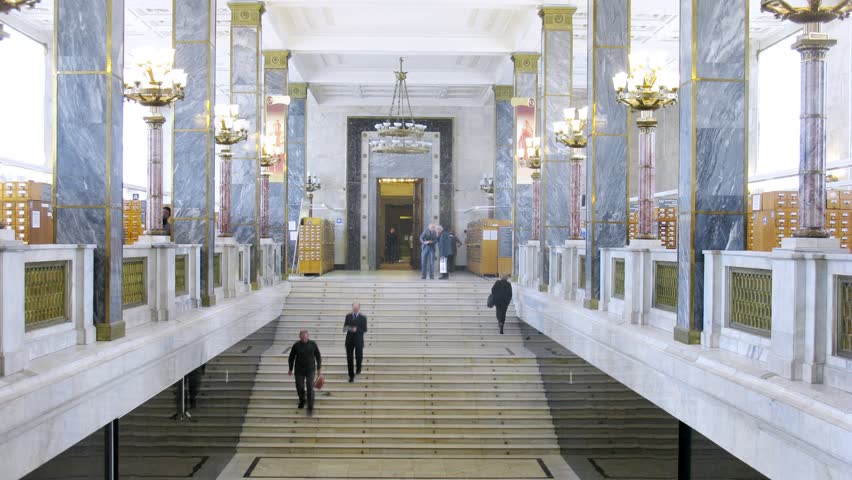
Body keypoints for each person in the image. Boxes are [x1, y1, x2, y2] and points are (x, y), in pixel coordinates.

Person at [288, 330, 322, 414]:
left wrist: (319, 368)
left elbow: (318, 356)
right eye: (302, 337)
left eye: (306, 337)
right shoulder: (296, 345)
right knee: (299, 386)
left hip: (310, 369)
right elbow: (291, 357)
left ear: (308, 336)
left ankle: (310, 406)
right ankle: (302, 400)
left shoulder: (313, 344)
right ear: (300, 337)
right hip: (299, 369)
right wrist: (290, 369)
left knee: (310, 387)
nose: (304, 339)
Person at [343, 302, 368, 382]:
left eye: (356, 308)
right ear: (352, 308)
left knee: (359, 356)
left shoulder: (363, 318)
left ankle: (358, 367)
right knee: (349, 358)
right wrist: (350, 328)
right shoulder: (348, 316)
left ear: (359, 308)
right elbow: (344, 328)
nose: (355, 309)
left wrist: (357, 330)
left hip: (359, 340)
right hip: (349, 340)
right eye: (354, 308)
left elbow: (365, 329)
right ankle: (351, 376)